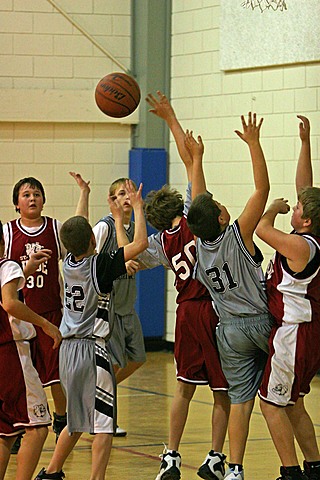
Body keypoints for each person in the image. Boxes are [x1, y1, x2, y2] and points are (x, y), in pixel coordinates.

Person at [139, 91, 230, 480]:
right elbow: (190, 159)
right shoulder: (198, 217)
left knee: (183, 388)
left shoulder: (159, 243)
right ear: (182, 206)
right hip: (215, 310)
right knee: (222, 391)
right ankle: (213, 457)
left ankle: (171, 456)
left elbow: (134, 256)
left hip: (185, 314)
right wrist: (172, 118)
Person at [35, 180, 148, 480]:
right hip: (91, 350)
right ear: (93, 242)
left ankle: (51, 472)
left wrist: (83, 195)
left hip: (68, 352)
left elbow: (78, 227)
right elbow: (139, 246)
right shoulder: (98, 265)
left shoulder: (69, 261)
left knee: (76, 420)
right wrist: (137, 208)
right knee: (103, 424)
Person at [186, 112, 273, 480]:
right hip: (261, 322)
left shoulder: (198, 245)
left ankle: (234, 468)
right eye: (220, 205)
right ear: (222, 218)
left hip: (229, 331)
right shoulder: (238, 234)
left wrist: (196, 160)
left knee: (240, 402)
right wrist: (254, 144)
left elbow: (198, 200)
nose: (221, 204)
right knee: (287, 394)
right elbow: (261, 190)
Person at [3, 172, 89, 447]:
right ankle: (17, 423)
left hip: (51, 312)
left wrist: (84, 196)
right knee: (22, 374)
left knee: (55, 376)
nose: (32, 198)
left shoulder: (54, 229)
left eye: (37, 194)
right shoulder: (7, 232)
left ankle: (61, 418)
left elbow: (79, 238)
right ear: (16, 202)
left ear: (44, 200)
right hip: (18, 317)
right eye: (26, 194)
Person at [256, 115, 320, 480]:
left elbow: (263, 229)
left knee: (270, 404)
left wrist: (272, 209)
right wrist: (305, 144)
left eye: (298, 209)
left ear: (306, 221)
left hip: (293, 334)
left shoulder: (298, 245)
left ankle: (290, 471)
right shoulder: (312, 235)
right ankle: (315, 466)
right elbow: (307, 190)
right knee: (293, 402)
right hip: (308, 333)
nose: (294, 207)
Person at [0, 219, 62, 480]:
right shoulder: (6, 264)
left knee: (5, 431)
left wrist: (25, 270)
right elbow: (10, 303)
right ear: (3, 244)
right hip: (12, 353)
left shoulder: (11, 270)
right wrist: (45, 323)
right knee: (37, 428)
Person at [93, 177, 147, 437]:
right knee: (112, 364)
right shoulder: (104, 227)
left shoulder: (136, 227)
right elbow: (89, 262)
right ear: (112, 199)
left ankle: (94, 396)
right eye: (121, 193)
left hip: (128, 303)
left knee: (137, 358)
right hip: (108, 307)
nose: (127, 197)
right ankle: (103, 417)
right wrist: (116, 266)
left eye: (130, 192)